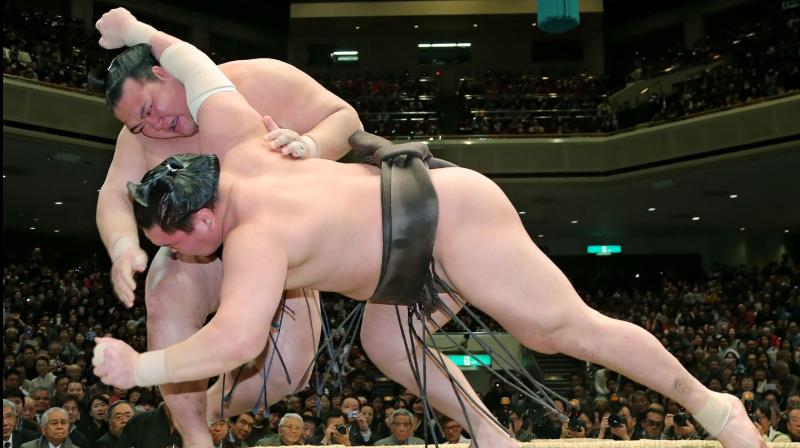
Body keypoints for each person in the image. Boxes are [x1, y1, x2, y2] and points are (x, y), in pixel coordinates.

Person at [91, 9, 763, 448]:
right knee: (389, 339)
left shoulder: (253, 239)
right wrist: (140, 29)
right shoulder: (238, 137)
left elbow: (236, 337)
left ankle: (711, 405)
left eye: (173, 245)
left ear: (203, 217)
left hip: (443, 215)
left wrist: (141, 366)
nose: (180, 259)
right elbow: (191, 61)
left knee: (557, 329)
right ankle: (493, 439)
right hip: (399, 246)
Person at [94, 5, 361, 447]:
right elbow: (112, 195)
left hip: (277, 238)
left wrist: (310, 145)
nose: (154, 126)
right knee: (163, 288)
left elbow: (346, 119)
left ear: (163, 73)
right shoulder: (139, 136)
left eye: (150, 109)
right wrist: (123, 246)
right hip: (198, 249)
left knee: (289, 375)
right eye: (139, 124)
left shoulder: (255, 79)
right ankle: (197, 437)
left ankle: (204, 410)